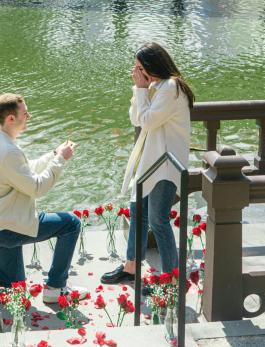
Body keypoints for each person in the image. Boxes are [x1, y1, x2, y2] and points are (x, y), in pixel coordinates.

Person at [0, 93, 88, 303]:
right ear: (11, 119)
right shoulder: (8, 151)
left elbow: (23, 171)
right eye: (25, 113)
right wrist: (60, 160)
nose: (29, 116)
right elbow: (37, 188)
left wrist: (53, 154)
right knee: (71, 224)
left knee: (14, 282)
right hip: (7, 229)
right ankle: (55, 288)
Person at [101, 42, 194, 284]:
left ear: (153, 66)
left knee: (158, 220)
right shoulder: (156, 87)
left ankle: (172, 278)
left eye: (140, 67)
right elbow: (136, 118)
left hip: (165, 164)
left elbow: (149, 122)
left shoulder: (170, 88)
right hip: (152, 161)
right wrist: (139, 90)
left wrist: (141, 90)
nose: (136, 72)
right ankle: (131, 266)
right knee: (137, 211)